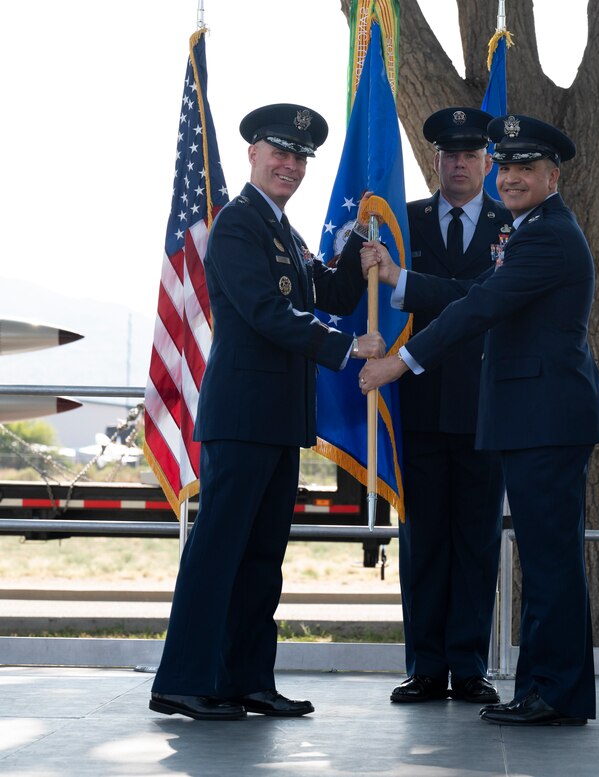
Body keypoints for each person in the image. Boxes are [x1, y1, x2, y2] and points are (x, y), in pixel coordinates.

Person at [360, 114, 599, 726]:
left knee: (549, 565)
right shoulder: (535, 230)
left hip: (544, 419)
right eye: (508, 167)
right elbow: (476, 300)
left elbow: (482, 305)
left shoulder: (544, 235)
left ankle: (550, 691)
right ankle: (556, 690)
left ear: (553, 176)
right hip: (535, 419)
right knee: (552, 562)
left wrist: (401, 361)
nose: (512, 177)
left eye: (527, 168)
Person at [149, 103, 385, 721]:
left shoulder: (284, 230)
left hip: (279, 420)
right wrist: (345, 347)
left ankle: (246, 680)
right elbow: (264, 311)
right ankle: (184, 681)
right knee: (218, 554)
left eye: (300, 157)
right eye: (278, 151)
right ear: (252, 153)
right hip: (243, 417)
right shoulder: (237, 224)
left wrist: (358, 253)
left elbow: (325, 294)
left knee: (260, 562)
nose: (290, 164)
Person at [383, 107, 511, 706]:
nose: (459, 163)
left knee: (478, 543)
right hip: (418, 404)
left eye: (470, 154)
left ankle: (470, 666)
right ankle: (426, 667)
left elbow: (488, 299)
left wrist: (404, 280)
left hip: (487, 407)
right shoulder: (401, 223)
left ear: (488, 161)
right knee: (423, 543)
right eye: (448, 154)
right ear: (434, 159)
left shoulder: (511, 224)